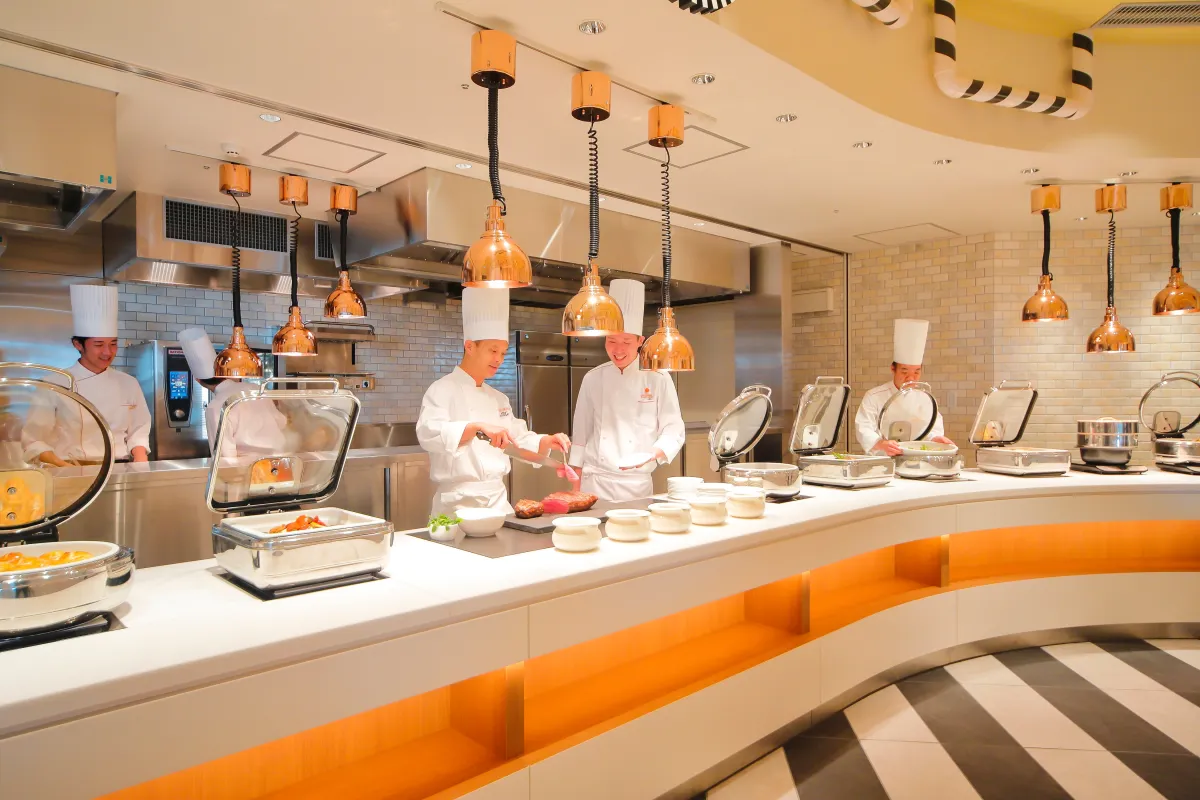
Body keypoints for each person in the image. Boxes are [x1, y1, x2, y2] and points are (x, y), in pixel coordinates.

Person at [416, 287, 571, 517]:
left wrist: (547, 441)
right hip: (458, 505)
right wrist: (476, 427)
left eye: (503, 352)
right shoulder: (441, 390)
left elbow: (517, 440)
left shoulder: (498, 398)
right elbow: (428, 433)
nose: (499, 359)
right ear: (470, 346)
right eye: (493, 350)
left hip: (498, 503)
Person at [568, 279, 685, 501]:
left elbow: (674, 430)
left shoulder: (658, 378)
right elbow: (581, 435)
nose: (618, 350)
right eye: (611, 341)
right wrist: (575, 488)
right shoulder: (593, 378)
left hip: (636, 485)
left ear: (640, 341)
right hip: (595, 482)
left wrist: (652, 454)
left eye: (626, 342)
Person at [25, 285, 151, 466]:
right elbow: (34, 440)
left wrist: (140, 462)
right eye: (99, 345)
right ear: (78, 344)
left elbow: (139, 431)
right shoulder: (53, 384)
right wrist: (66, 468)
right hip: (70, 468)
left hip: (119, 468)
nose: (108, 352)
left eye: (113, 344)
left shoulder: (128, 383)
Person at [179, 327, 288, 458]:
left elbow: (224, 456)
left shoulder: (216, 407)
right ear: (225, 372)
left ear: (197, 380)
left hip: (249, 468)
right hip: (283, 461)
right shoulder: (256, 389)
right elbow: (282, 422)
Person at [854, 318, 955, 455]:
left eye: (916, 372)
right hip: (881, 459)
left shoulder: (925, 398)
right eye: (904, 372)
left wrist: (936, 439)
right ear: (893, 369)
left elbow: (932, 429)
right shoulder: (874, 396)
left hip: (916, 459)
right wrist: (880, 443)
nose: (911, 378)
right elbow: (864, 428)